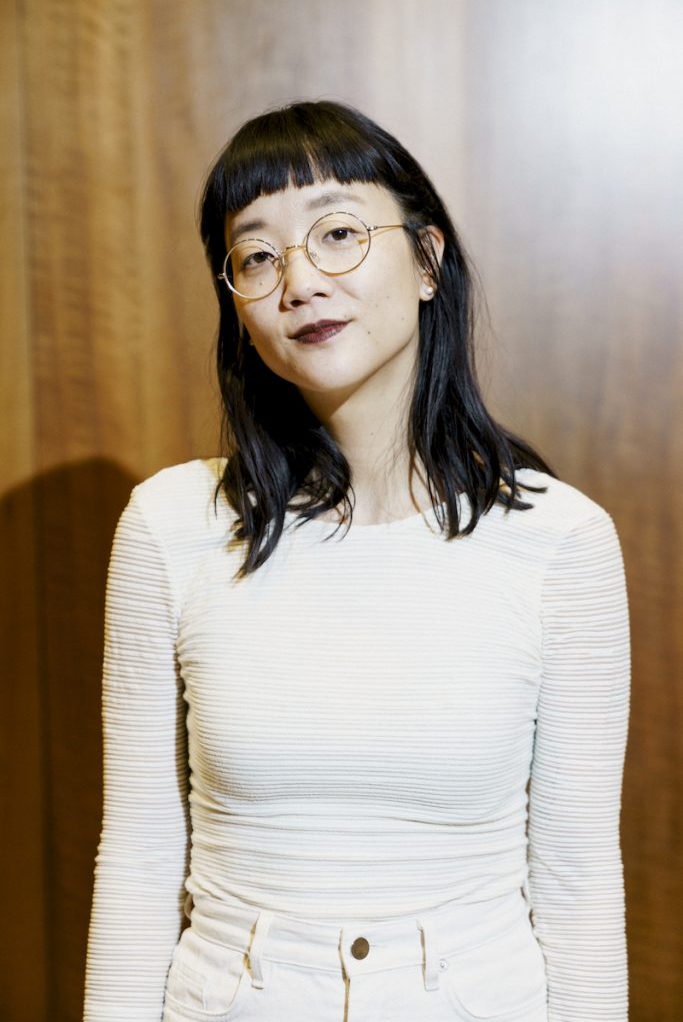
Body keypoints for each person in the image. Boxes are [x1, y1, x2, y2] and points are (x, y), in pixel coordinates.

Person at [83, 101, 630, 1022]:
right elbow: (139, 853)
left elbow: (576, 875)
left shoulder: (559, 543)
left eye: (337, 232)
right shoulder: (171, 526)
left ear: (425, 260)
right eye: (257, 255)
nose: (298, 279)